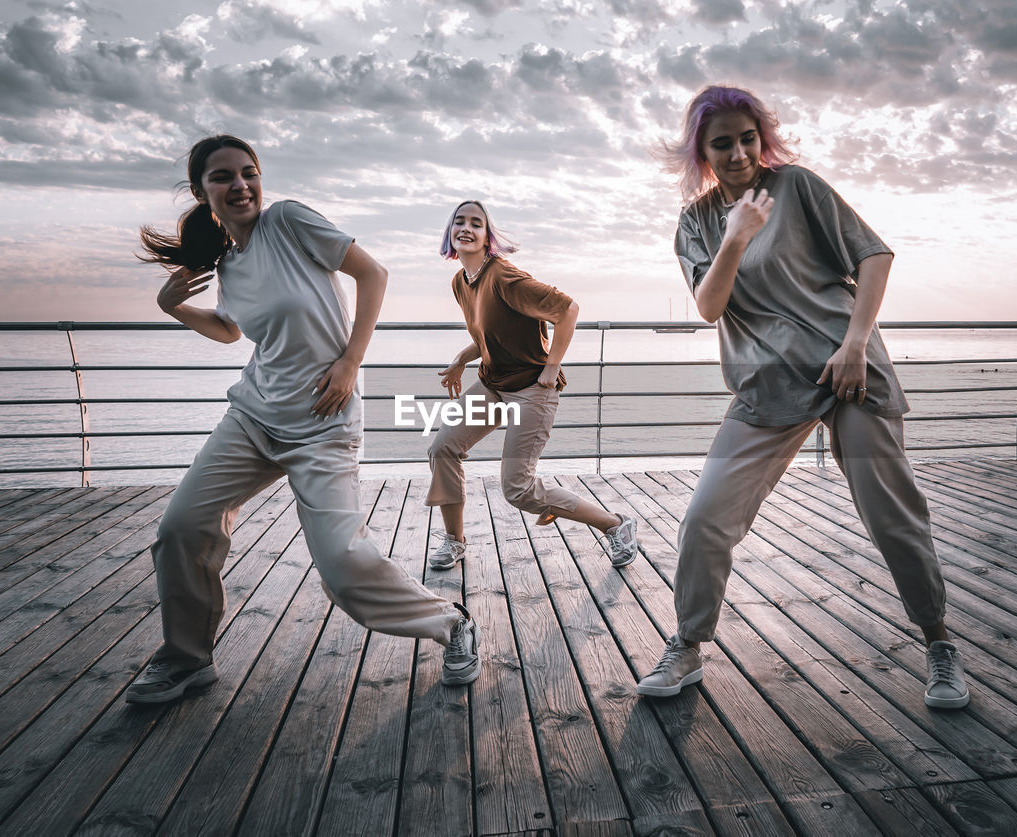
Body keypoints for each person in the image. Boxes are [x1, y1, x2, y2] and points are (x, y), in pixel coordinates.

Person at [636, 87, 969, 709]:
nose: (738, 153)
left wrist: (855, 345)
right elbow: (710, 307)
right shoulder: (697, 223)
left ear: (762, 137)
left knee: (893, 519)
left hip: (847, 373)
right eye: (722, 143)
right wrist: (736, 235)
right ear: (701, 152)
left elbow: (873, 256)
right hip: (766, 386)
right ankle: (686, 646)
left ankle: (939, 645)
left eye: (747, 138)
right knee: (706, 518)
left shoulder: (798, 187)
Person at [129, 135, 480, 704]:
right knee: (181, 530)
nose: (240, 185)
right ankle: (186, 657)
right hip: (253, 418)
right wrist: (172, 308)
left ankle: (451, 621)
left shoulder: (289, 222)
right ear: (201, 192)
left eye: (249, 173)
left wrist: (350, 361)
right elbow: (231, 330)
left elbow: (374, 274)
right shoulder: (229, 263)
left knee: (343, 567)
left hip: (323, 422)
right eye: (223, 177)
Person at [424, 200, 641, 570]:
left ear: (487, 237)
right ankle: (454, 541)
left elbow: (567, 309)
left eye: (476, 223)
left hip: (531, 389)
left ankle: (616, 525)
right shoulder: (461, 282)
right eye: (459, 221)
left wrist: (551, 365)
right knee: (443, 447)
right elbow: (492, 333)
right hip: (492, 385)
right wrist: (462, 359)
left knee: (518, 490)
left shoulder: (505, 277)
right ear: (449, 233)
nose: (466, 228)